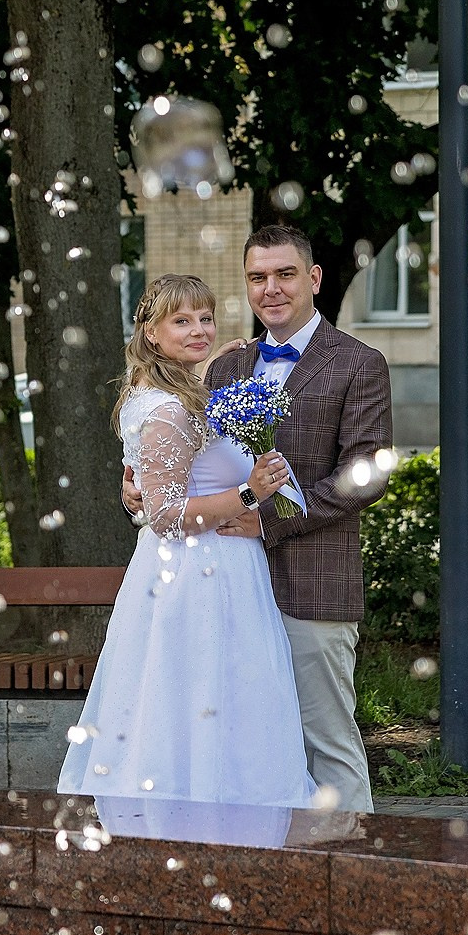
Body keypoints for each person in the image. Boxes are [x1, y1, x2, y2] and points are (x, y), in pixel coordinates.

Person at [124, 225, 394, 812]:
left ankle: (351, 867)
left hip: (312, 583)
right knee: (248, 743)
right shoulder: (225, 364)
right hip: (223, 592)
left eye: (285, 274)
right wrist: (137, 492)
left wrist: (268, 520)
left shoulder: (357, 363)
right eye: (257, 278)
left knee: (327, 738)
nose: (270, 289)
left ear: (314, 279)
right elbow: (178, 463)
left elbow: (366, 473)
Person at [55, 274, 321, 809]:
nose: (198, 330)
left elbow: (155, 485)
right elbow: (167, 517)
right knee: (202, 700)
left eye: (204, 318)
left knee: (220, 703)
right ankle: (198, 819)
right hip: (200, 579)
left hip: (217, 572)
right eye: (181, 321)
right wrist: (249, 493)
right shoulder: (167, 410)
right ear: (151, 333)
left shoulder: (178, 393)